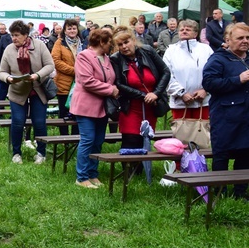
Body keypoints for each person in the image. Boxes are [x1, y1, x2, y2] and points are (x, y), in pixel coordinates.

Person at [202, 22, 249, 199]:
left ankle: (241, 193)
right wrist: (238, 79)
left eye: (247, 38)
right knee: (221, 156)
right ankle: (219, 192)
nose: (245, 41)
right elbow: (209, 83)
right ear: (227, 40)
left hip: (246, 117)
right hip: (225, 117)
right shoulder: (218, 59)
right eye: (240, 38)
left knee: (245, 154)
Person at [0, 20, 55, 165]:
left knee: (39, 122)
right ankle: (16, 153)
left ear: (26, 35)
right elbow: (1, 71)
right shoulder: (9, 49)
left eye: (17, 35)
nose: (14, 38)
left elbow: (50, 65)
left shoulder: (40, 45)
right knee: (17, 122)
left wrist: (37, 75)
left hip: (38, 90)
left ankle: (41, 153)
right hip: (17, 91)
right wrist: (9, 78)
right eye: (12, 35)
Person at [70, 28, 118, 188]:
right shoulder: (84, 56)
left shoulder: (106, 58)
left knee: (98, 141)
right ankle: (81, 177)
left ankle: (93, 174)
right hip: (85, 107)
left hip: (102, 107)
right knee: (88, 140)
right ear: (101, 42)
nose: (111, 45)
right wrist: (110, 90)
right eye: (109, 42)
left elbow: (111, 78)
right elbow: (87, 81)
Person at [110, 27, 170, 150]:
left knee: (145, 140)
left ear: (133, 40)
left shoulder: (148, 51)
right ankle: (130, 168)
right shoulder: (116, 58)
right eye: (120, 44)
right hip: (130, 106)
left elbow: (165, 71)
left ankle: (143, 169)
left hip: (151, 104)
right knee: (131, 140)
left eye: (126, 42)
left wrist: (156, 93)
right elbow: (119, 84)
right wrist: (143, 96)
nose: (124, 47)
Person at [163, 19, 213, 121]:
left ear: (195, 34)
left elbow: (213, 72)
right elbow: (167, 75)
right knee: (181, 135)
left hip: (203, 101)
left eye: (188, 29)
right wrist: (181, 93)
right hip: (180, 102)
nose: (184, 31)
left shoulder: (206, 49)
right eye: (181, 29)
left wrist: (205, 90)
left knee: (201, 134)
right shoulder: (171, 51)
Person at [51, 19, 82, 135]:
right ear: (65, 30)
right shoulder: (59, 43)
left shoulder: (82, 43)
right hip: (64, 83)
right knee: (64, 112)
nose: (72, 30)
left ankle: (75, 138)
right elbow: (56, 61)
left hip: (80, 84)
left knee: (78, 112)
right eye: (69, 28)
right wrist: (74, 71)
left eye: (74, 28)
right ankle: (64, 138)